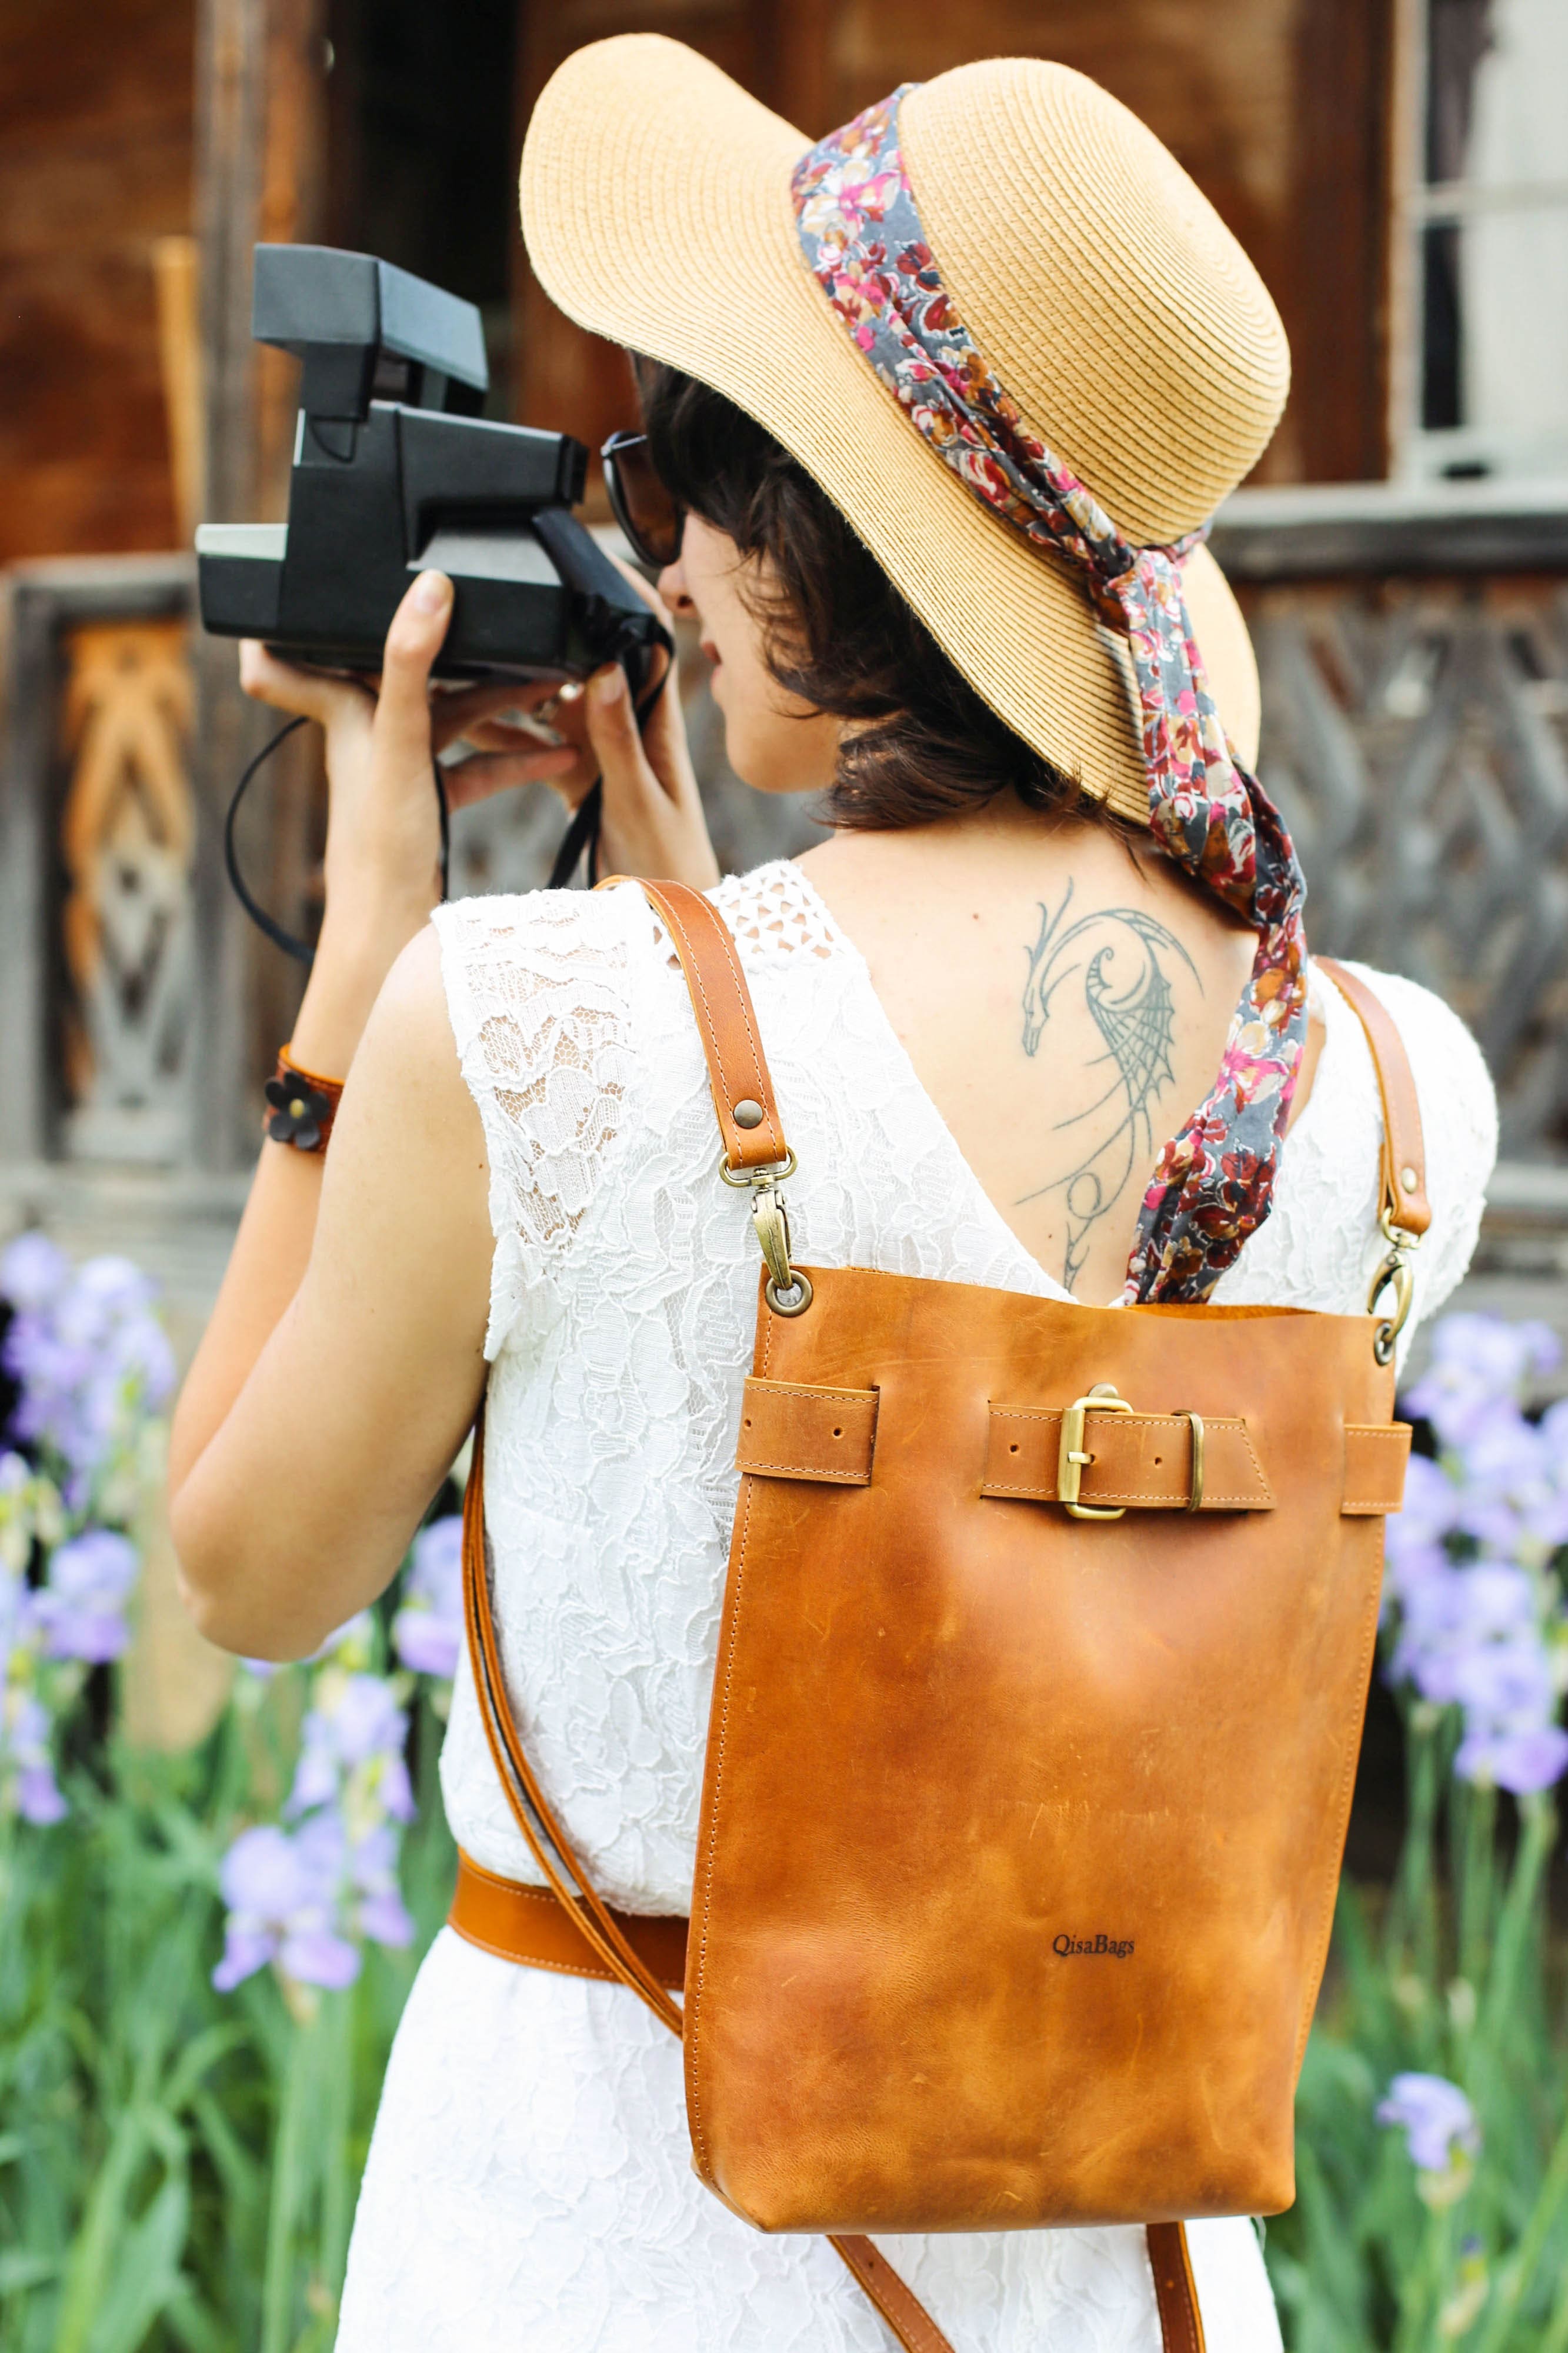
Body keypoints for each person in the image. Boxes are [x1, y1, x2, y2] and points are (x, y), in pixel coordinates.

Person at [169, 35, 1498, 2353]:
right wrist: (683, 915)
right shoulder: (1403, 1093)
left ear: (817, 517)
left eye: (695, 455)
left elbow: (247, 1575)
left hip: (601, 2256)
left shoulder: (526, 1025)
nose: (660, 544)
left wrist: (357, 973)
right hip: (1119, 2285)